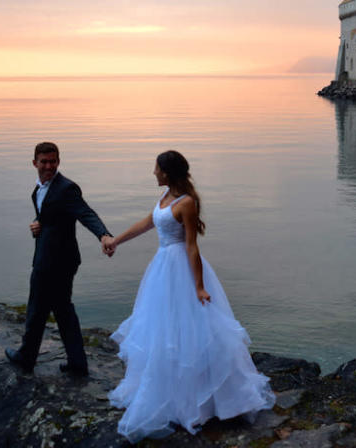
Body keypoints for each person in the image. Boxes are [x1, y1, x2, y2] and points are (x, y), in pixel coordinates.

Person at [101, 150, 275, 442]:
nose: (153, 173)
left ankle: (199, 399)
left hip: (180, 269)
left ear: (167, 173)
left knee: (192, 329)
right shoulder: (165, 198)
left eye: (156, 169)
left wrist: (199, 286)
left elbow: (192, 246)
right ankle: (168, 389)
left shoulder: (186, 204)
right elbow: (148, 223)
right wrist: (116, 240)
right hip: (161, 270)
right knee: (164, 329)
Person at [5, 142, 113, 377]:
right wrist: (39, 225)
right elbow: (52, 215)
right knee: (62, 310)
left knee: (37, 309)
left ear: (58, 161)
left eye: (52, 161)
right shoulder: (40, 188)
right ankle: (77, 363)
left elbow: (85, 213)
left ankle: (27, 358)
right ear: (34, 163)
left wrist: (103, 235)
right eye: (43, 162)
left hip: (56, 261)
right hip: (54, 256)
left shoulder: (66, 188)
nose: (48, 166)